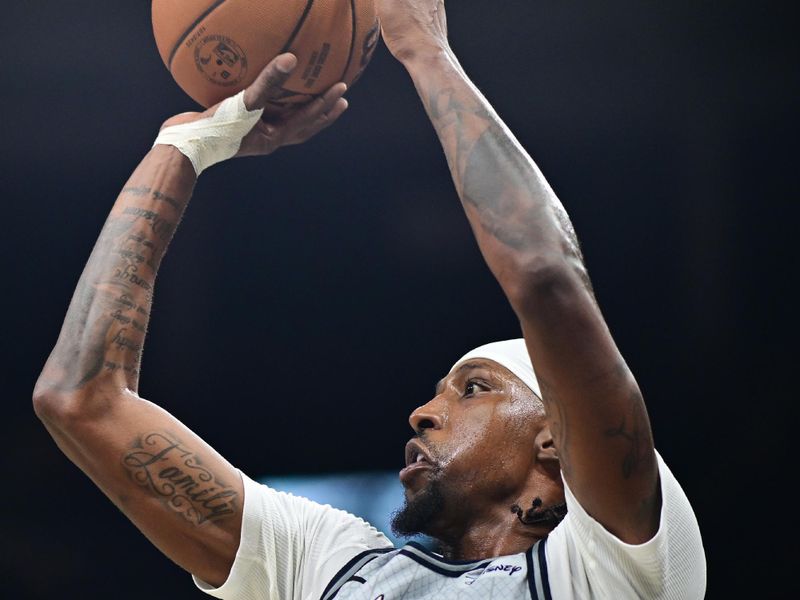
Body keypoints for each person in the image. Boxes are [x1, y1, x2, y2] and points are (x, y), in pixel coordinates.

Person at [33, 1, 706, 598]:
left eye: (472, 389)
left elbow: (544, 278)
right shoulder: (326, 565)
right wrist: (184, 148)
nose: (421, 413)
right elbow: (78, 401)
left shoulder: (618, 566)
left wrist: (425, 50)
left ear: (556, 439)